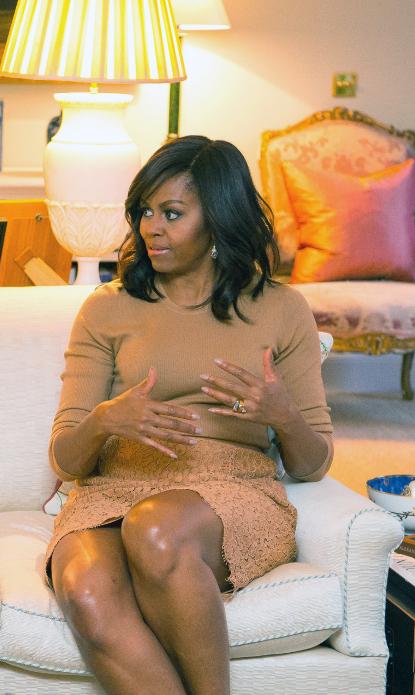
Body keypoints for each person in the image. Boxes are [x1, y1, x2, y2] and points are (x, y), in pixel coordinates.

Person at [46, 136, 332, 695]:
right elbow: (65, 458)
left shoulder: (280, 308)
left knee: (155, 529)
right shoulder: (107, 308)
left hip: (231, 488)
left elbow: (313, 462)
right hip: (114, 487)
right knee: (83, 589)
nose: (151, 227)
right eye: (144, 212)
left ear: (218, 218)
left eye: (172, 213)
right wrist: (105, 421)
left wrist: (283, 415)